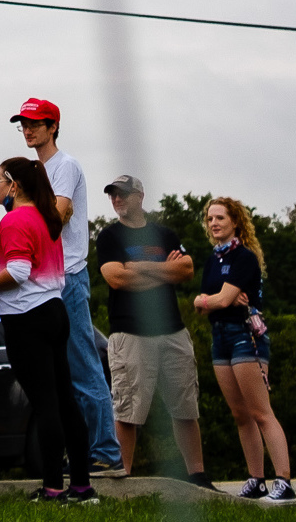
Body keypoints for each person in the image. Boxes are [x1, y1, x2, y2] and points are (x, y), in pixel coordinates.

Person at [12, 99, 119, 475]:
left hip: (69, 275)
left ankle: (105, 449)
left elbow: (58, 214)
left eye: (36, 123)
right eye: (23, 123)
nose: (28, 129)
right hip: (48, 280)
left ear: (53, 126)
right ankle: (82, 449)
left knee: (83, 365)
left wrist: (19, 214)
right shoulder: (36, 169)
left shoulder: (65, 166)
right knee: (60, 371)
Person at [0, 153, 91, 502]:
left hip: (27, 317)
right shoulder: (47, 218)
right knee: (64, 400)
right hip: (54, 310)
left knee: (44, 404)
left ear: (14, 185)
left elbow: (19, 272)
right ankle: (82, 485)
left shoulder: (13, 221)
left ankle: (53, 487)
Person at [94, 174, 202, 485]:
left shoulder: (163, 234)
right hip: (130, 333)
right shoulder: (109, 237)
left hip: (173, 331)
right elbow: (116, 279)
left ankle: (198, 475)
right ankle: (123, 478)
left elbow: (187, 268)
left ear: (140, 196)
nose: (117, 200)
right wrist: (163, 273)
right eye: (113, 195)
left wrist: (140, 267)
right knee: (128, 411)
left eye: (123, 194)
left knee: (185, 407)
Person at [192, 196, 291, 502]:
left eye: (220, 218)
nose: (214, 223)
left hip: (245, 336)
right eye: (210, 219)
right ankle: (256, 479)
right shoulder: (214, 259)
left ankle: (284, 483)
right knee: (239, 414)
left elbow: (216, 300)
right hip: (219, 336)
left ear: (235, 222)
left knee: (261, 412)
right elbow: (205, 301)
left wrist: (211, 300)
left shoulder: (243, 257)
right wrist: (211, 300)